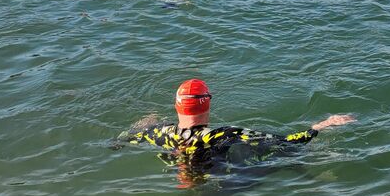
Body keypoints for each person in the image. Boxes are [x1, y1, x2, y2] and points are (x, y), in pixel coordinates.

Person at [122, 79, 355, 165]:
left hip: (185, 177)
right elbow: (287, 141)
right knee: (285, 157)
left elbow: (123, 140)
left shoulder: (158, 133)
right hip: (220, 188)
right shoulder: (224, 134)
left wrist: (145, 125)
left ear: (176, 106)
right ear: (207, 105)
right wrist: (320, 126)